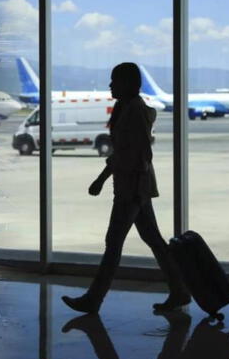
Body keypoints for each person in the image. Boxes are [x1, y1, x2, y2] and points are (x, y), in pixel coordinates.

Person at [62, 62, 190, 314]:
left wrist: (103, 179)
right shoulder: (126, 108)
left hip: (131, 189)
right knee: (152, 239)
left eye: (115, 81)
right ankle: (179, 290)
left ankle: (93, 299)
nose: (110, 85)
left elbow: (137, 153)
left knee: (114, 242)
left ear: (129, 84)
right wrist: (106, 178)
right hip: (133, 187)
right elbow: (124, 153)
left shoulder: (134, 112)